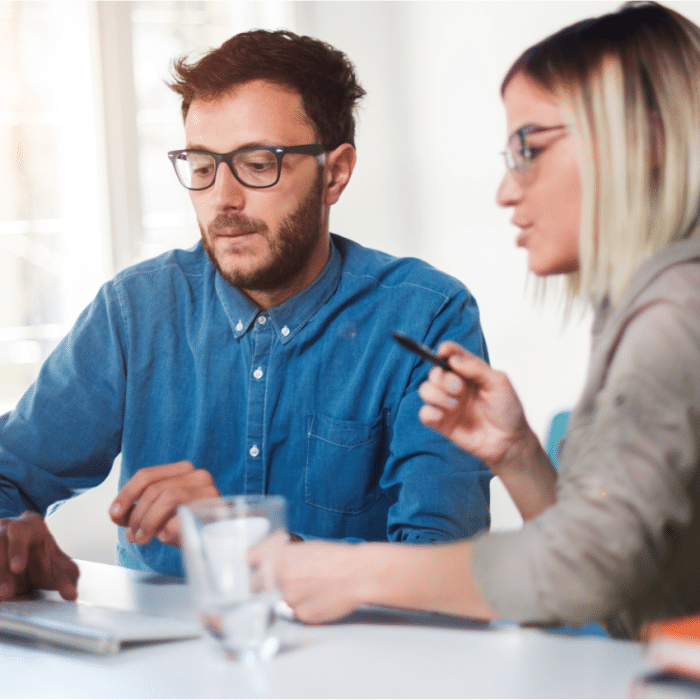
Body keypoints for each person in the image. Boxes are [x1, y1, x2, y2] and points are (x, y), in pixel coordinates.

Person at [0, 30, 491, 599]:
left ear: (335, 173)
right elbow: (10, 471)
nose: (223, 199)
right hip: (161, 678)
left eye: (258, 164)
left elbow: (448, 567)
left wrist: (245, 538)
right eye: (203, 165)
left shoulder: (425, 317)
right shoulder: (136, 311)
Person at [276, 1, 700, 640]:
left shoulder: (676, 313)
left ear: (648, 138)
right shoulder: (654, 303)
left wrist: (350, 572)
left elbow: (584, 572)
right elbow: (624, 581)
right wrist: (519, 454)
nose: (506, 190)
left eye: (528, 148)